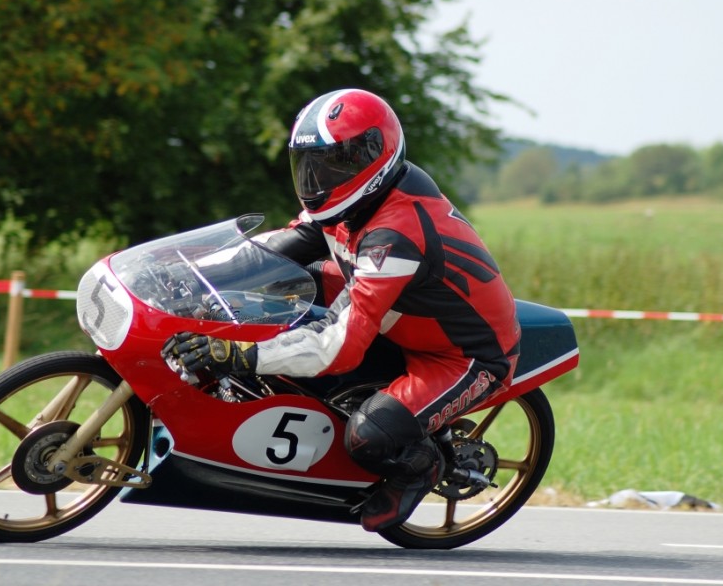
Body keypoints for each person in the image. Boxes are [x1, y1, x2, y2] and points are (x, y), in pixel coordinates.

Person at [161, 88, 521, 532]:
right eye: (309, 164)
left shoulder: (396, 233)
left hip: (463, 357)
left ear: (374, 157)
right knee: (275, 286)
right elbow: (268, 253)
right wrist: (193, 273)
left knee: (368, 438)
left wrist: (239, 354)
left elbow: (340, 346)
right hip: (401, 319)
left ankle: (421, 464)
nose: (317, 178)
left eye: (335, 162)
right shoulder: (351, 203)